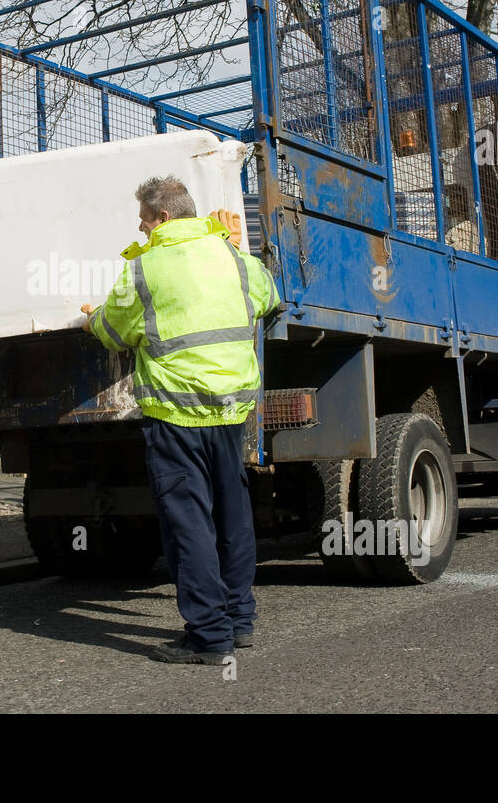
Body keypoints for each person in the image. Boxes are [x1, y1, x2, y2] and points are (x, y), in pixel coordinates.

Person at [81, 177, 280, 664]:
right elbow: (268, 299)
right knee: (232, 515)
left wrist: (92, 317)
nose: (142, 231)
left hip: (175, 415)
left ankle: (210, 638)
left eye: (144, 223)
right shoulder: (231, 255)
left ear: (164, 219)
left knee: (188, 523)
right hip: (231, 409)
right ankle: (238, 622)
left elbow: (115, 331)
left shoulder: (144, 269)